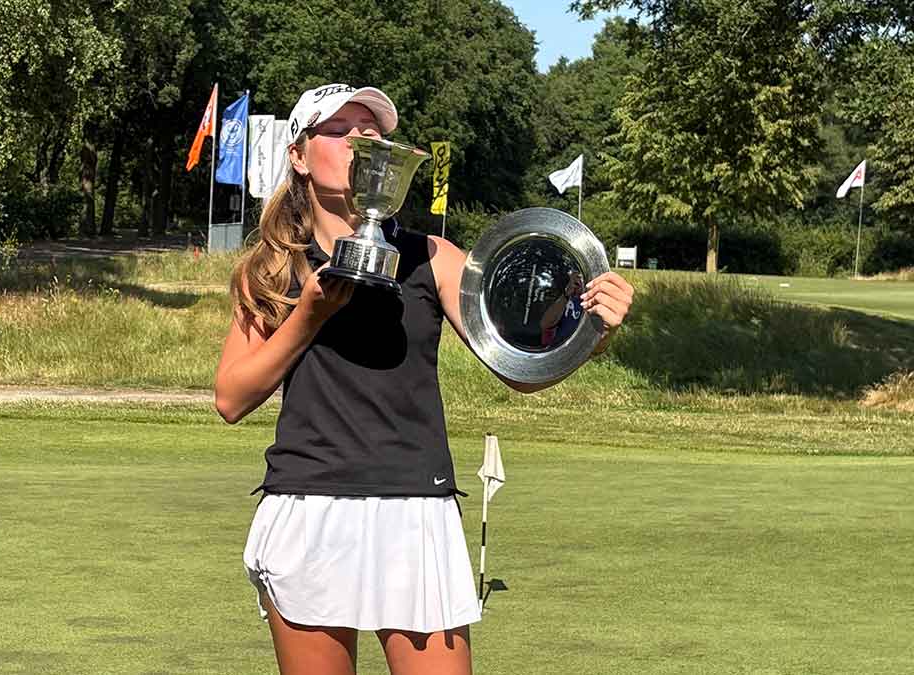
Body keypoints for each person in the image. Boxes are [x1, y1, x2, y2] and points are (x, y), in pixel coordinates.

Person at [214, 83, 634, 675]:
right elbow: (231, 398)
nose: (360, 140)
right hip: (310, 503)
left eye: (372, 132)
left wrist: (595, 332)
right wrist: (309, 314)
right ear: (299, 155)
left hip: (416, 506)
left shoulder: (432, 257)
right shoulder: (272, 267)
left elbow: (517, 368)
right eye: (340, 129)